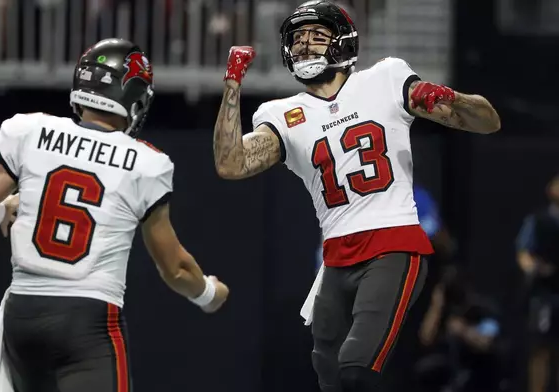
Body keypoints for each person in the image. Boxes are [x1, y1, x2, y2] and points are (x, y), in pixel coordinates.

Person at [212, 1, 500, 391]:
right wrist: (231, 85)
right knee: (329, 377)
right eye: (297, 38)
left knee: (356, 369)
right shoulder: (282, 113)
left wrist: (452, 98)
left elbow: (488, 122)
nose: (304, 45)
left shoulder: (385, 78)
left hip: (393, 245)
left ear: (342, 42)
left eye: (317, 36)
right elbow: (231, 165)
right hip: (335, 259)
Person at [0, 38, 229, 392]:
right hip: (86, 320)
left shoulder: (30, 131)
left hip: (22, 314)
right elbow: (174, 267)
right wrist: (208, 293)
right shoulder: (145, 163)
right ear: (133, 95)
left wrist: (1, 211)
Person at [516, 173, 559, 392]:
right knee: (540, 348)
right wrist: (534, 269)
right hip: (545, 291)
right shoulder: (539, 220)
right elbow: (524, 251)